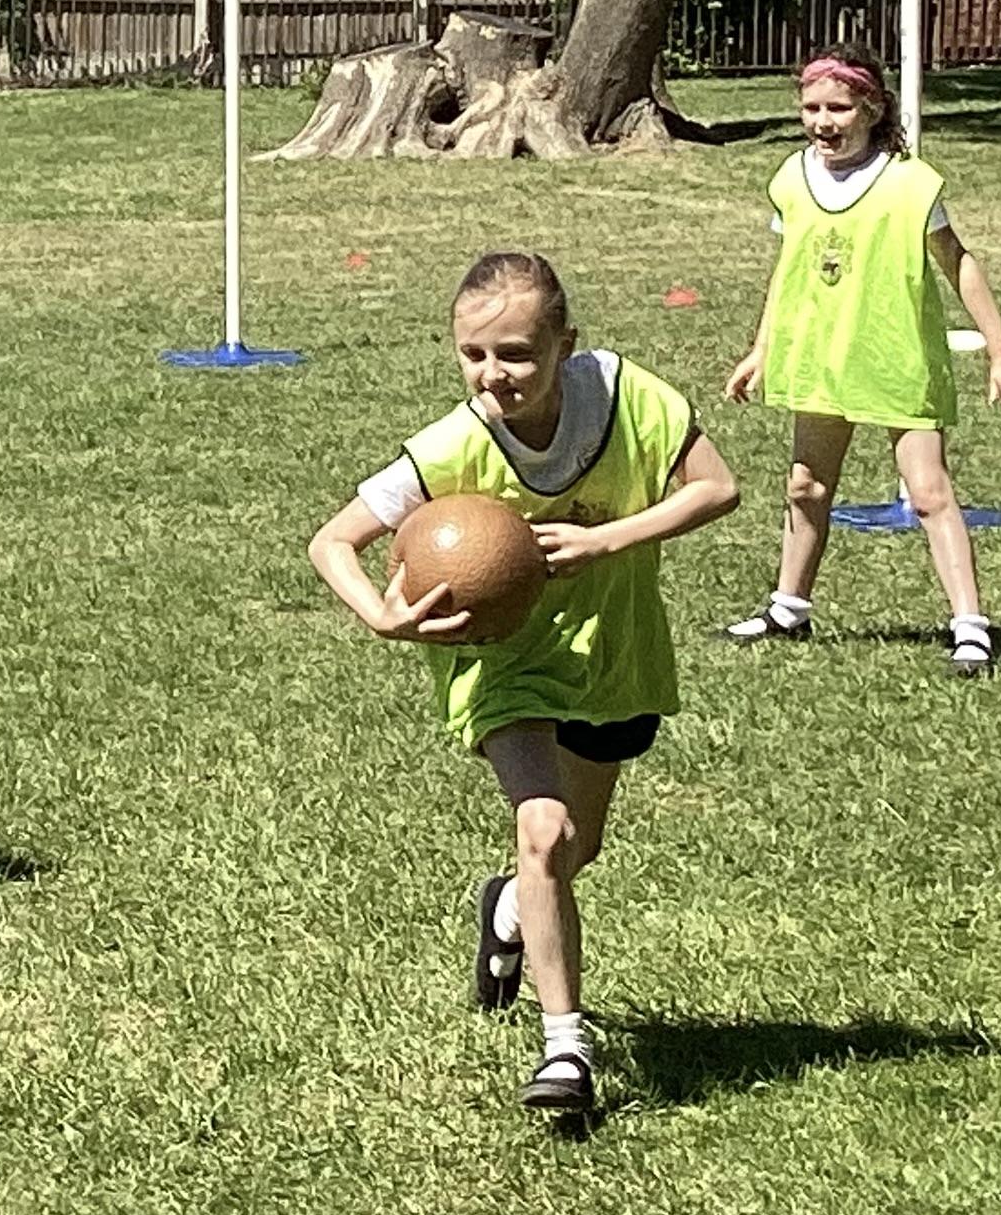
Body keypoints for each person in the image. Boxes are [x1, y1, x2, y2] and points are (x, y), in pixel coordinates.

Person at [308, 252, 739, 1112]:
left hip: (611, 652)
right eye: (472, 354)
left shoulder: (624, 397)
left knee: (576, 849)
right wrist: (381, 616)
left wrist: (605, 540)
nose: (491, 375)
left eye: (514, 354)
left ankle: (507, 910)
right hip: (501, 662)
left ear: (563, 345)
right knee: (543, 830)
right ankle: (564, 1050)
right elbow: (332, 541)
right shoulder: (450, 447)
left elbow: (717, 489)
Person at [723, 45, 1001, 674]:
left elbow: (958, 263)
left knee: (928, 492)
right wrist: (761, 347)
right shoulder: (791, 179)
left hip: (896, 359)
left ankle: (970, 627)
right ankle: (789, 608)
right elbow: (788, 269)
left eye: (838, 108)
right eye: (811, 107)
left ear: (871, 109)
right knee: (806, 485)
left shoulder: (910, 184)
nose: (823, 121)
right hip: (820, 358)